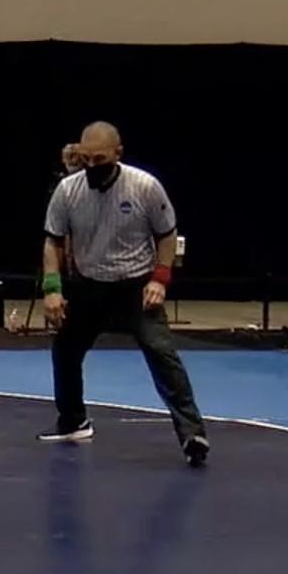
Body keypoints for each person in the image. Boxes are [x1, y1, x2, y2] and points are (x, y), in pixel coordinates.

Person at [41, 121, 210, 467]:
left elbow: (166, 234)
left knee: (161, 353)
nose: (92, 166)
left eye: (100, 160)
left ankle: (192, 434)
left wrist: (160, 280)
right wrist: (52, 288)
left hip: (135, 287)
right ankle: (74, 421)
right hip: (90, 286)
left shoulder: (144, 187)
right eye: (86, 159)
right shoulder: (68, 191)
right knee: (66, 350)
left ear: (118, 154)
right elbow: (53, 240)